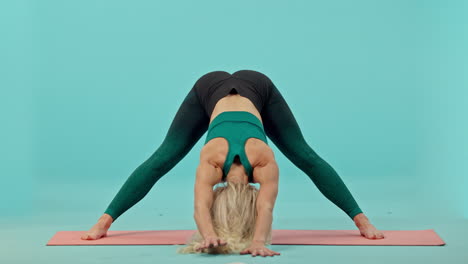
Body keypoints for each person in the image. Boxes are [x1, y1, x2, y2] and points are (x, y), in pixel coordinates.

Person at [81, 70, 385, 256]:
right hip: (248, 87)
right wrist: (253, 241)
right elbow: (260, 208)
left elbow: (203, 207)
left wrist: (215, 234)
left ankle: (362, 220)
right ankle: (103, 222)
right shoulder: (262, 163)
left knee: (306, 156)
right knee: (161, 159)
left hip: (217, 88)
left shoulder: (212, 163)